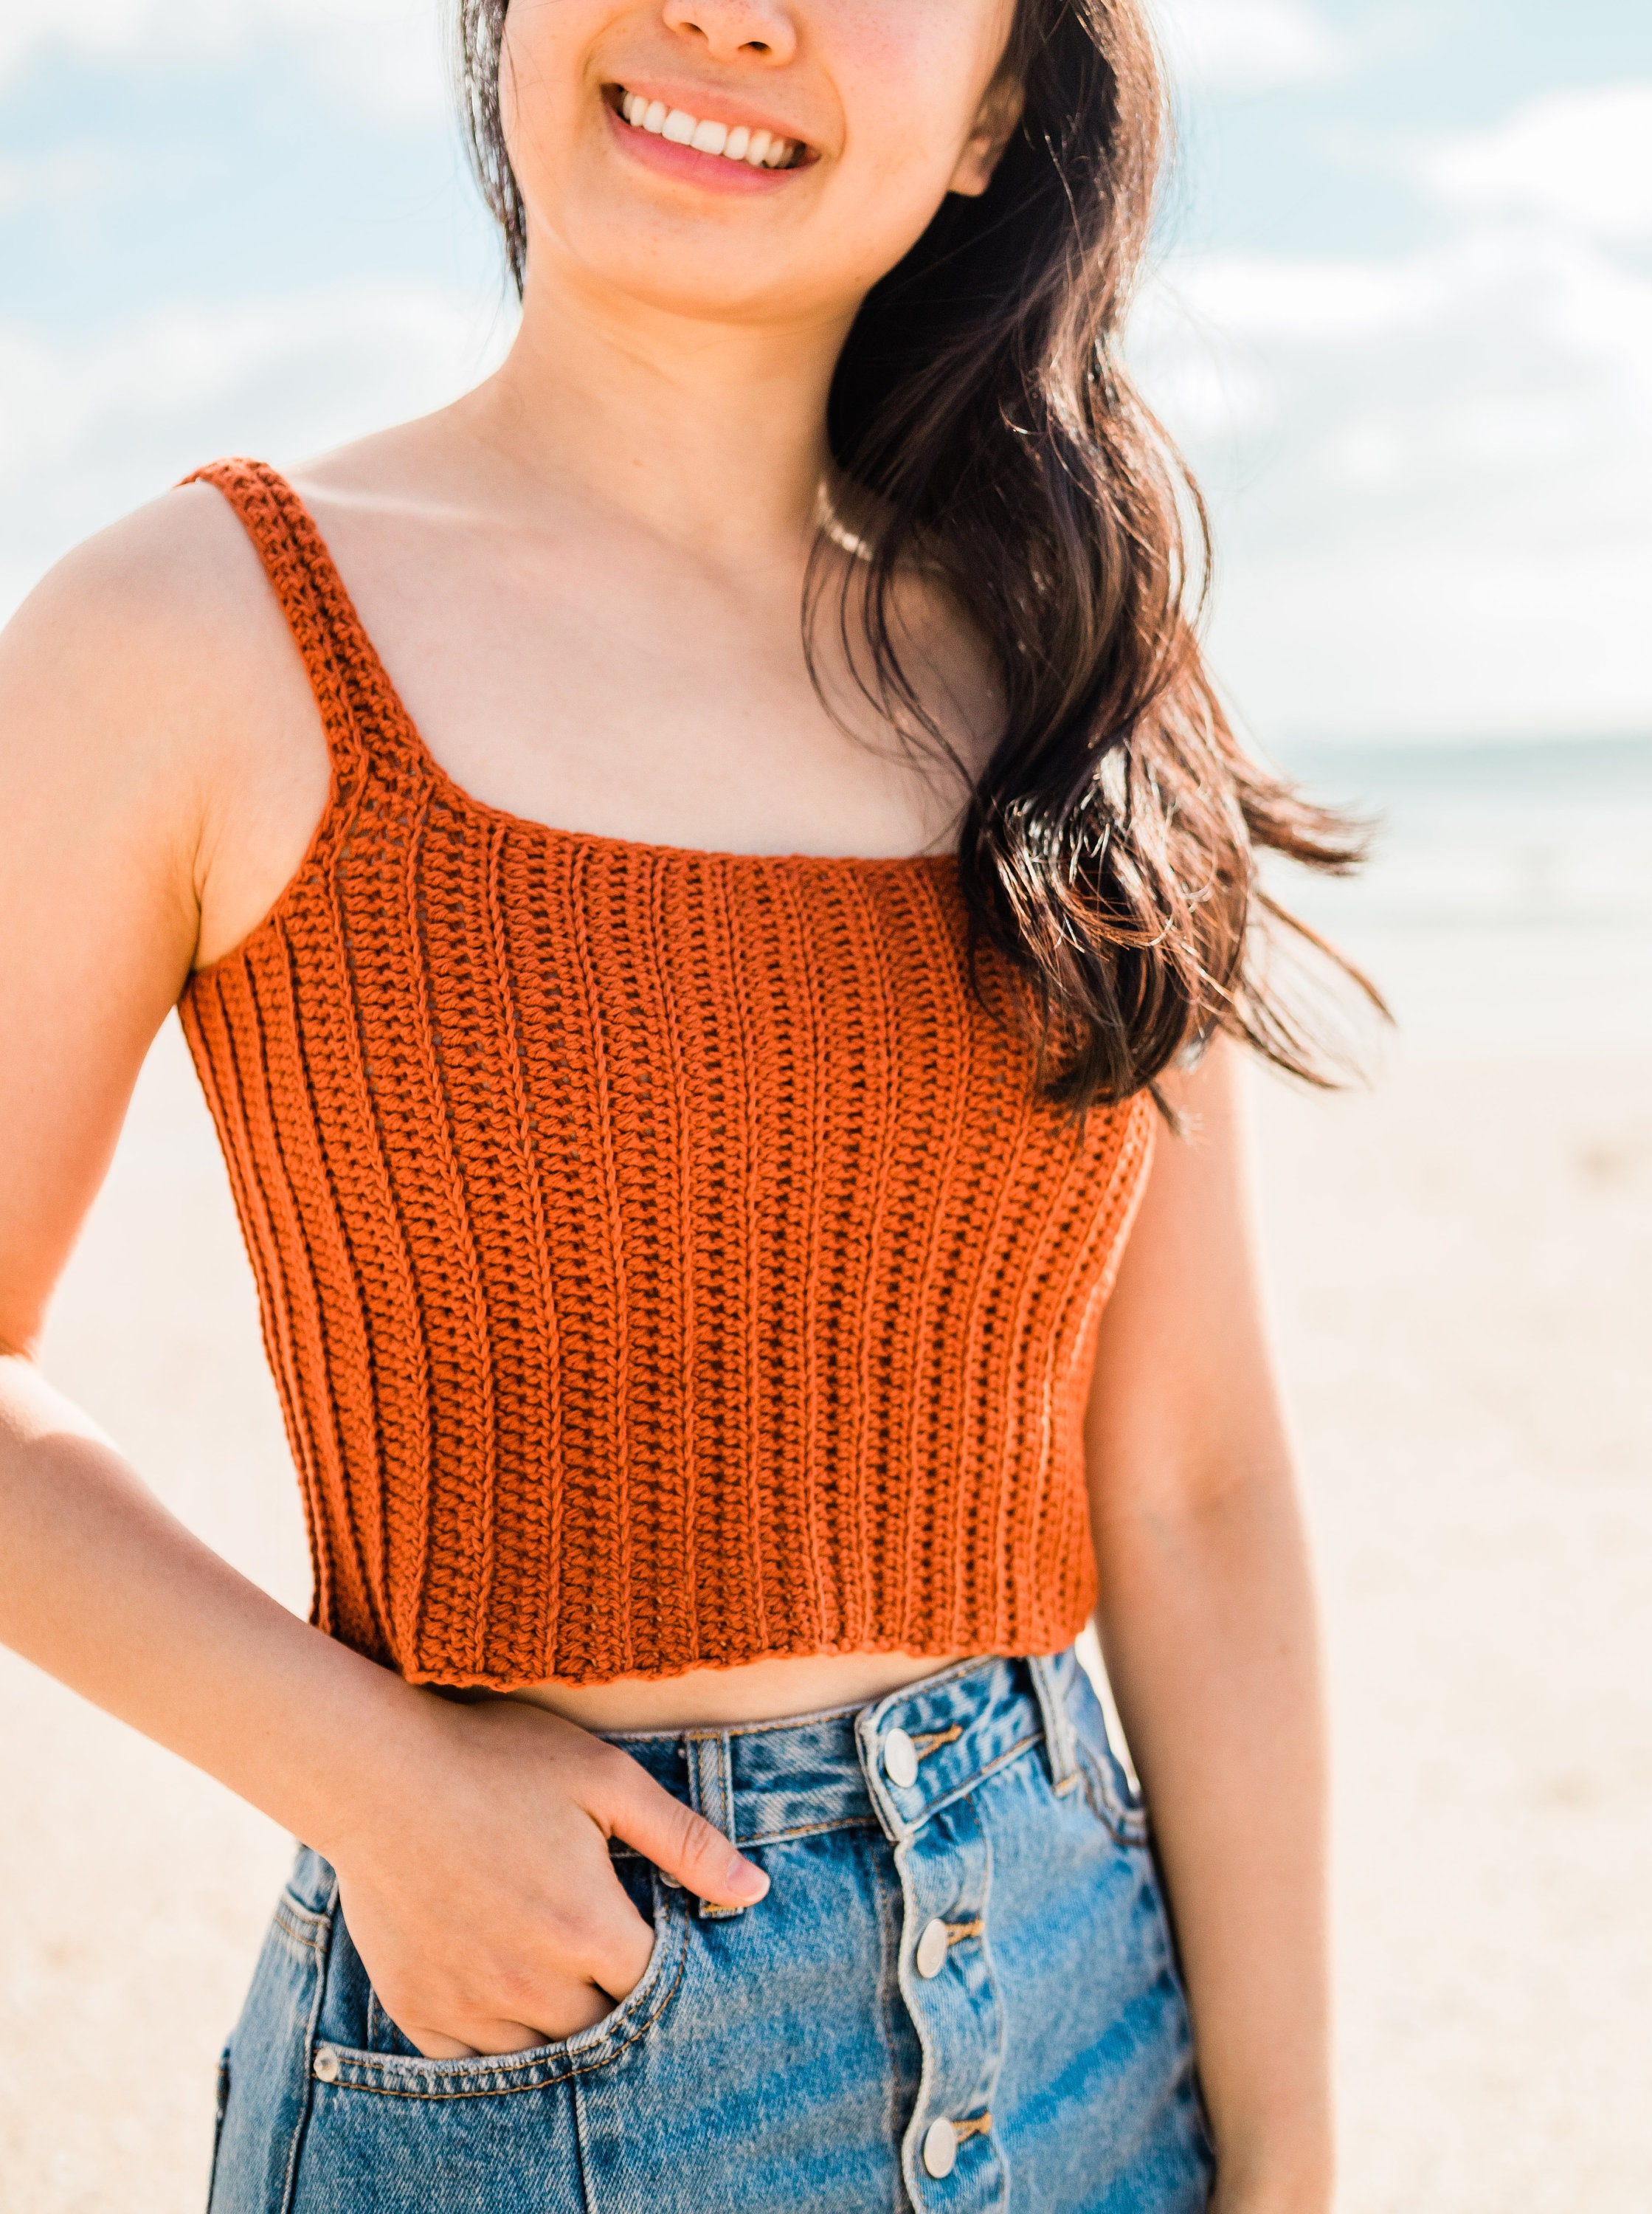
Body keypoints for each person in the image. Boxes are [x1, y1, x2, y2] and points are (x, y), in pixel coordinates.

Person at [0, 0, 1381, 2207]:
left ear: (1001, 111)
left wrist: (1290, 2167)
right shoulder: (192, 630)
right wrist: (370, 1783)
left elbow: (1199, 1487)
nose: (738, 12)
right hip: (537, 2046)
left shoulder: (1083, 663)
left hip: (1089, 2007)